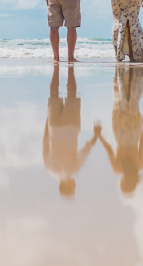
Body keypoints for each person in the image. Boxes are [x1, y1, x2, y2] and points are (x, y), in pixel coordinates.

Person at [43, 65, 101, 198]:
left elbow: (86, 150)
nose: (75, 186)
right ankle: (56, 67)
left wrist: (96, 135)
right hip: (54, 127)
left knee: (72, 92)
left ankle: (70, 68)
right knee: (53, 92)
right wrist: (47, 122)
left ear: (68, 186)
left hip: (71, 127)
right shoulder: (49, 169)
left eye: (73, 189)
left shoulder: (73, 170)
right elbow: (45, 142)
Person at [97, 66, 143, 195]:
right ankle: (118, 71)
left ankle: (129, 72)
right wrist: (99, 135)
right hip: (120, 134)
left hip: (134, 133)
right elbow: (109, 150)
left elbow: (142, 144)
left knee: (133, 101)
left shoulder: (140, 165)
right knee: (119, 102)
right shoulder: (117, 169)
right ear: (124, 182)